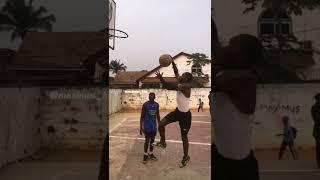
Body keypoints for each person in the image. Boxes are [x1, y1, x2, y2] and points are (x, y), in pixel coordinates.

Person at [210, 34, 262, 179]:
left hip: (239, 168)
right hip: (220, 156)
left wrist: (214, 47)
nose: (225, 48)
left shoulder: (246, 79)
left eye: (231, 46)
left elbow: (219, 80)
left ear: (242, 56)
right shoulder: (228, 74)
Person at [153, 60, 193, 168]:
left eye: (183, 76)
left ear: (187, 79)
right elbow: (176, 72)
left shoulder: (186, 87)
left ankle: (185, 157)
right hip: (178, 112)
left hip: (185, 116)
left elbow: (169, 87)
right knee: (161, 124)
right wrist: (173, 62)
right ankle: (163, 142)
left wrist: (161, 79)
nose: (180, 76)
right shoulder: (182, 82)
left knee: (184, 137)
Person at [140, 92, 160, 164]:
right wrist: (140, 127)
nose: (150, 97)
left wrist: (159, 125)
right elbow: (142, 116)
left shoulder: (156, 105)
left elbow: (158, 115)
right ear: (148, 97)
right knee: (147, 140)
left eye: (152, 96)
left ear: (155, 97)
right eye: (149, 96)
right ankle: (145, 154)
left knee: (152, 141)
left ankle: (151, 153)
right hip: (147, 126)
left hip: (153, 126)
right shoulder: (145, 105)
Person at [311, 93, 320, 168]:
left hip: (317, 130)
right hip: (317, 129)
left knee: (318, 148)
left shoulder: (313, 107)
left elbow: (314, 118)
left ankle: (319, 164)